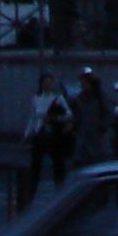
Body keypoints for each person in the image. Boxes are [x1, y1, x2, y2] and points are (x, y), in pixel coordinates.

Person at [24, 71, 75, 203]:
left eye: (49, 83)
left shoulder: (58, 98)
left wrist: (55, 118)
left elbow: (69, 114)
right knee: (35, 164)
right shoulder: (35, 98)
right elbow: (32, 117)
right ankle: (30, 193)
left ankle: (60, 190)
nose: (47, 85)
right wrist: (27, 134)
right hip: (39, 133)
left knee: (57, 162)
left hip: (53, 133)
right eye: (45, 83)